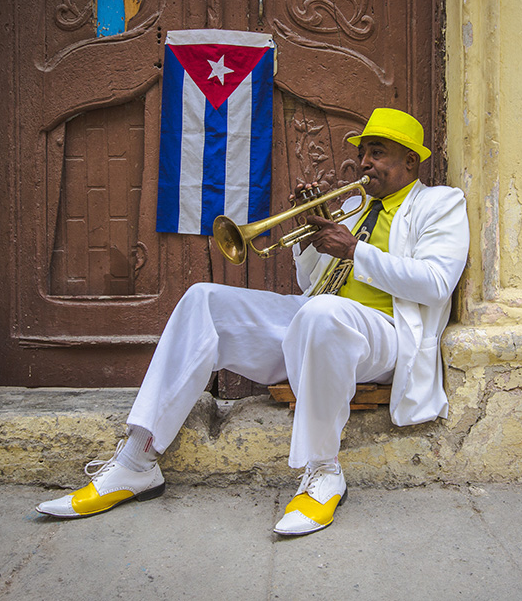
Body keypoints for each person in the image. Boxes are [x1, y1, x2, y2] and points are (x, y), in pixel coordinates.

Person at [36, 108, 470, 536]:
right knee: (204, 299)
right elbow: (310, 282)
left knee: (321, 314)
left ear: (410, 161)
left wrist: (356, 250)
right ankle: (136, 460)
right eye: (363, 153)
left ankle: (323, 471)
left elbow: (435, 284)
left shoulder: (439, 203)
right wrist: (309, 234)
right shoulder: (355, 205)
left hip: (387, 333)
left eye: (377, 153)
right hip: (318, 321)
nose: (364, 163)